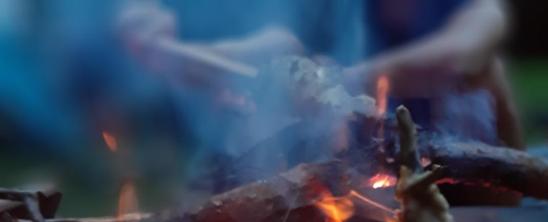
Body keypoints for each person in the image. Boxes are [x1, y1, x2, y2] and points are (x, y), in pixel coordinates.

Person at [119, 0, 523, 148]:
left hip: (465, 207)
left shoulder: (475, 8)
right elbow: (267, 53)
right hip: (366, 204)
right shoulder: (336, 11)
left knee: (492, 74)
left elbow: (459, 55)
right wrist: (171, 53)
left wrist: (341, 80)